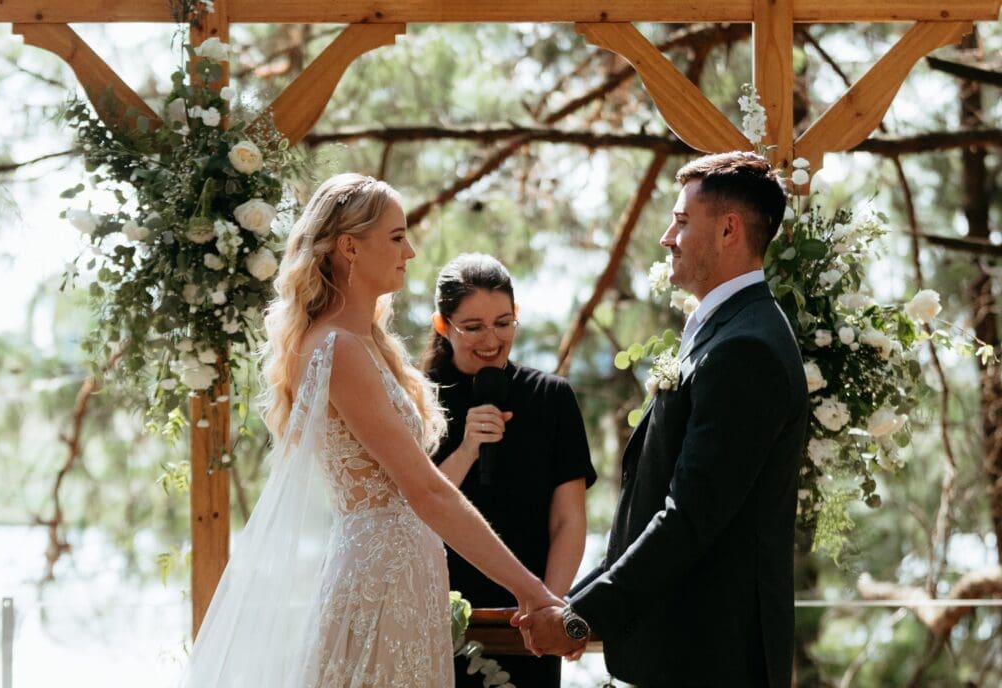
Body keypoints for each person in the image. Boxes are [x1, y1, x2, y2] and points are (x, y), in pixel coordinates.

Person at [177, 174, 559, 687]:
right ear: (350, 247)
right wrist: (530, 590)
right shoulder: (339, 349)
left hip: (402, 574)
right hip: (381, 585)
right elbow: (423, 490)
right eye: (398, 237)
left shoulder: (364, 342)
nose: (412, 251)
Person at [518, 151, 808, 688]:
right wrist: (577, 603)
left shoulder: (748, 349)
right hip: (680, 652)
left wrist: (583, 619)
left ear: (727, 230)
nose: (666, 237)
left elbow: (689, 517)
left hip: (711, 659)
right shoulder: (725, 331)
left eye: (680, 220)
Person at [420, 253, 597, 687]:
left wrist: (548, 608)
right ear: (443, 326)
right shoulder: (418, 400)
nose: (491, 339)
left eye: (503, 322)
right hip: (433, 613)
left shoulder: (551, 397)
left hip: (528, 621)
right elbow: (414, 509)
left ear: (517, 316)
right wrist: (466, 448)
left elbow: (568, 518)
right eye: (473, 327)